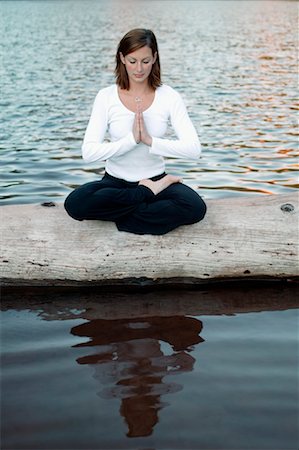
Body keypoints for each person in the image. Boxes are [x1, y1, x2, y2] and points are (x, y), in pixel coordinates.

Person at [64, 28, 206, 235]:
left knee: (195, 208)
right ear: (122, 58)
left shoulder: (169, 96)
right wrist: (131, 140)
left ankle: (126, 216)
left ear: (155, 58)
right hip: (115, 183)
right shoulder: (106, 96)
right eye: (132, 61)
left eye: (145, 61)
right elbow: (89, 152)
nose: (139, 69)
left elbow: (194, 150)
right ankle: (145, 198)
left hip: (157, 178)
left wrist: (149, 141)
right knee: (75, 204)